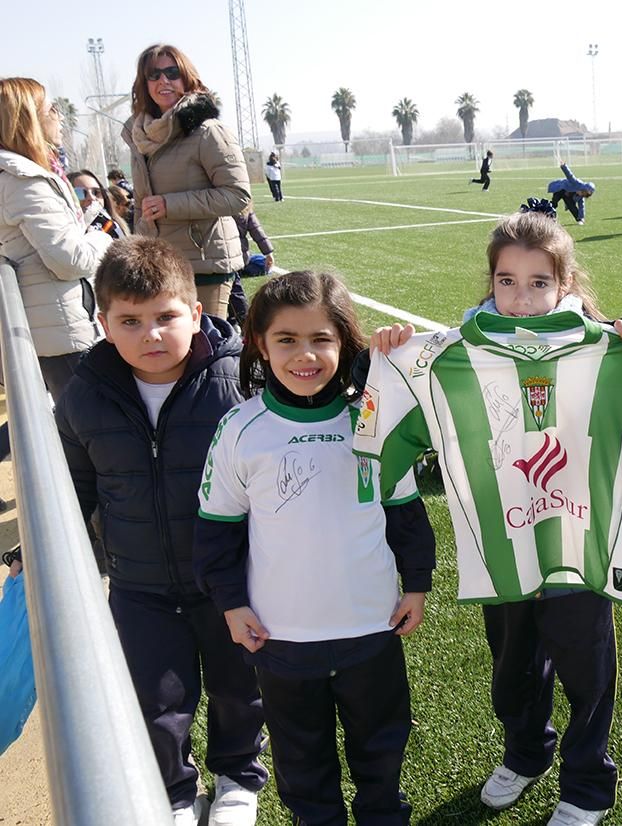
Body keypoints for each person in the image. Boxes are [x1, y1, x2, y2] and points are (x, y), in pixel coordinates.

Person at [359, 207, 622, 826]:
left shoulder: (611, 348)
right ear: (491, 284)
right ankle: (527, 751)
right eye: (506, 281)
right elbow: (392, 413)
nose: (521, 297)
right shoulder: (450, 357)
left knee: (585, 666)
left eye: (539, 282)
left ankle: (588, 784)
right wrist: (382, 356)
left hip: (580, 543)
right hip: (500, 539)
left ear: (565, 286)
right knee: (512, 665)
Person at [194, 271, 435, 826]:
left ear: (345, 343)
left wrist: (417, 583)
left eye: (321, 339)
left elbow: (404, 513)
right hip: (282, 637)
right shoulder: (240, 429)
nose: (306, 355)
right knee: (301, 757)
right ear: (260, 344)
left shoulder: (373, 423)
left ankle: (382, 813)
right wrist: (231, 603)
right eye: (287, 340)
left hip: (370, 628)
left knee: (381, 743)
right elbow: (215, 531)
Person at [53, 237, 267, 826]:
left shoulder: (236, 382)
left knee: (237, 684)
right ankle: (173, 789)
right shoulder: (85, 396)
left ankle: (238, 776)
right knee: (154, 699)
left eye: (165, 317)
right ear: (103, 324)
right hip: (139, 583)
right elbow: (72, 482)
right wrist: (44, 555)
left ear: (195, 313)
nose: (150, 335)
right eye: (130, 321)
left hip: (228, 580)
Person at [0, 77, 114, 471]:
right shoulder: (22, 180)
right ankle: (96, 533)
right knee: (95, 445)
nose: (59, 116)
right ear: (27, 119)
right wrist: (101, 240)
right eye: (51, 109)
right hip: (61, 333)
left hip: (57, 324)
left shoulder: (26, 175)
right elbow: (69, 258)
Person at [122, 43, 252, 320]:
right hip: (158, 264)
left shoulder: (208, 131)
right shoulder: (139, 135)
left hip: (205, 265)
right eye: (154, 75)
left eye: (172, 72)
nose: (163, 81)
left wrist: (170, 205)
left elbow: (238, 195)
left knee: (203, 348)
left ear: (187, 77)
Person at [227, 205, 275, 330]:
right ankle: (239, 322)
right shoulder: (243, 204)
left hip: (227, 256)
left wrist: (268, 252)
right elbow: (257, 230)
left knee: (233, 291)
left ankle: (245, 325)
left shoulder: (219, 201)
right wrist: (268, 252)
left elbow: (256, 229)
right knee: (233, 290)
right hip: (235, 256)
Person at [70, 168, 129, 237]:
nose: (91, 198)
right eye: (80, 193)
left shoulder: (117, 226)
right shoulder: (66, 236)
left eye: (96, 192)